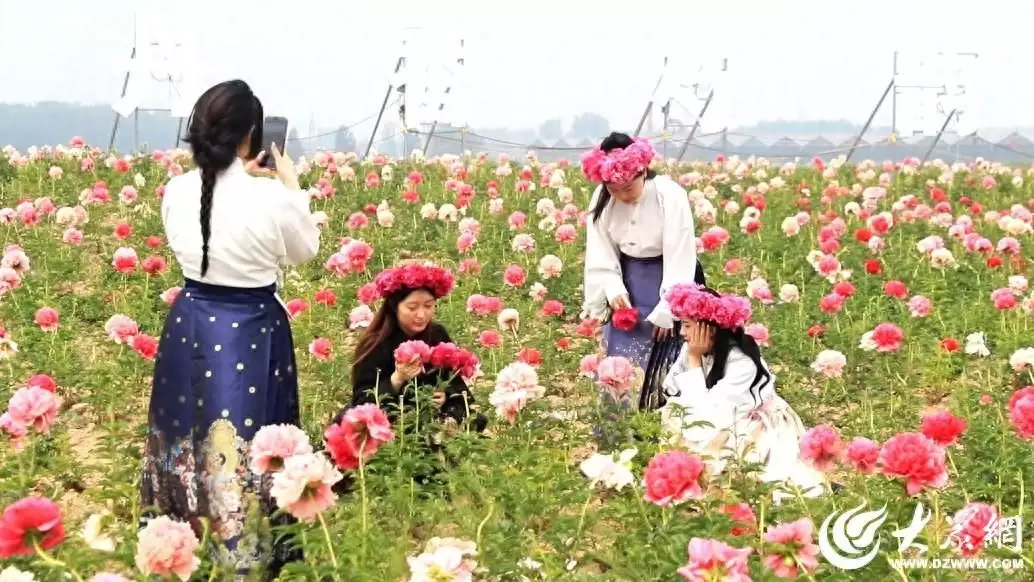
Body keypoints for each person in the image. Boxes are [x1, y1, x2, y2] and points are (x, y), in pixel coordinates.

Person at [139, 79, 322, 579]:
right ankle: (244, 552)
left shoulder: (178, 190)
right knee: (247, 433)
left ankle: (178, 540)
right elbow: (306, 249)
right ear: (252, 136)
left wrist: (240, 172)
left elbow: (214, 204)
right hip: (251, 325)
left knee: (185, 429)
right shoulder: (269, 198)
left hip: (191, 317)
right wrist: (290, 184)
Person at [657, 283, 826, 500]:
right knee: (674, 413)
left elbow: (708, 419)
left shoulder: (742, 362)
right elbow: (675, 390)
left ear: (709, 328)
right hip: (716, 415)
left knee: (730, 453)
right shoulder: (693, 350)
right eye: (682, 325)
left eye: (688, 326)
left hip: (748, 422)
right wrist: (693, 359)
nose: (682, 333)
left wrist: (694, 361)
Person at [581, 132, 705, 411]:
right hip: (629, 283)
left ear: (643, 171)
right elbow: (600, 251)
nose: (622, 196)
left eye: (628, 188)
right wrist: (612, 289)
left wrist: (669, 309)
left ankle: (661, 430)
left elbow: (681, 254)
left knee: (668, 358)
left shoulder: (669, 195)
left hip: (669, 279)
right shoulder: (601, 198)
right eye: (614, 190)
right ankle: (619, 431)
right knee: (621, 362)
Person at [336, 261, 487, 431]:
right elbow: (361, 401)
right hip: (391, 420)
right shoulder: (375, 343)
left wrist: (445, 396)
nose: (421, 315)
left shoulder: (437, 335)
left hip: (432, 417)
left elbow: (455, 384)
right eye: (412, 307)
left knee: (472, 420)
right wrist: (397, 379)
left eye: (428, 306)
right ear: (395, 307)